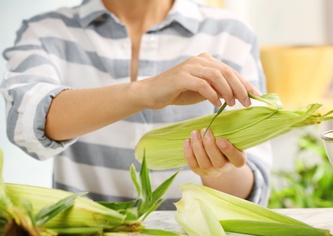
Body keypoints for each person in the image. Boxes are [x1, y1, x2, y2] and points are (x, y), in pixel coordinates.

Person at [1, 0, 272, 209]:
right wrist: (145, 92)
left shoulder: (231, 35)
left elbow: (250, 192)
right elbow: (26, 120)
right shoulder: (46, 32)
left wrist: (218, 170)